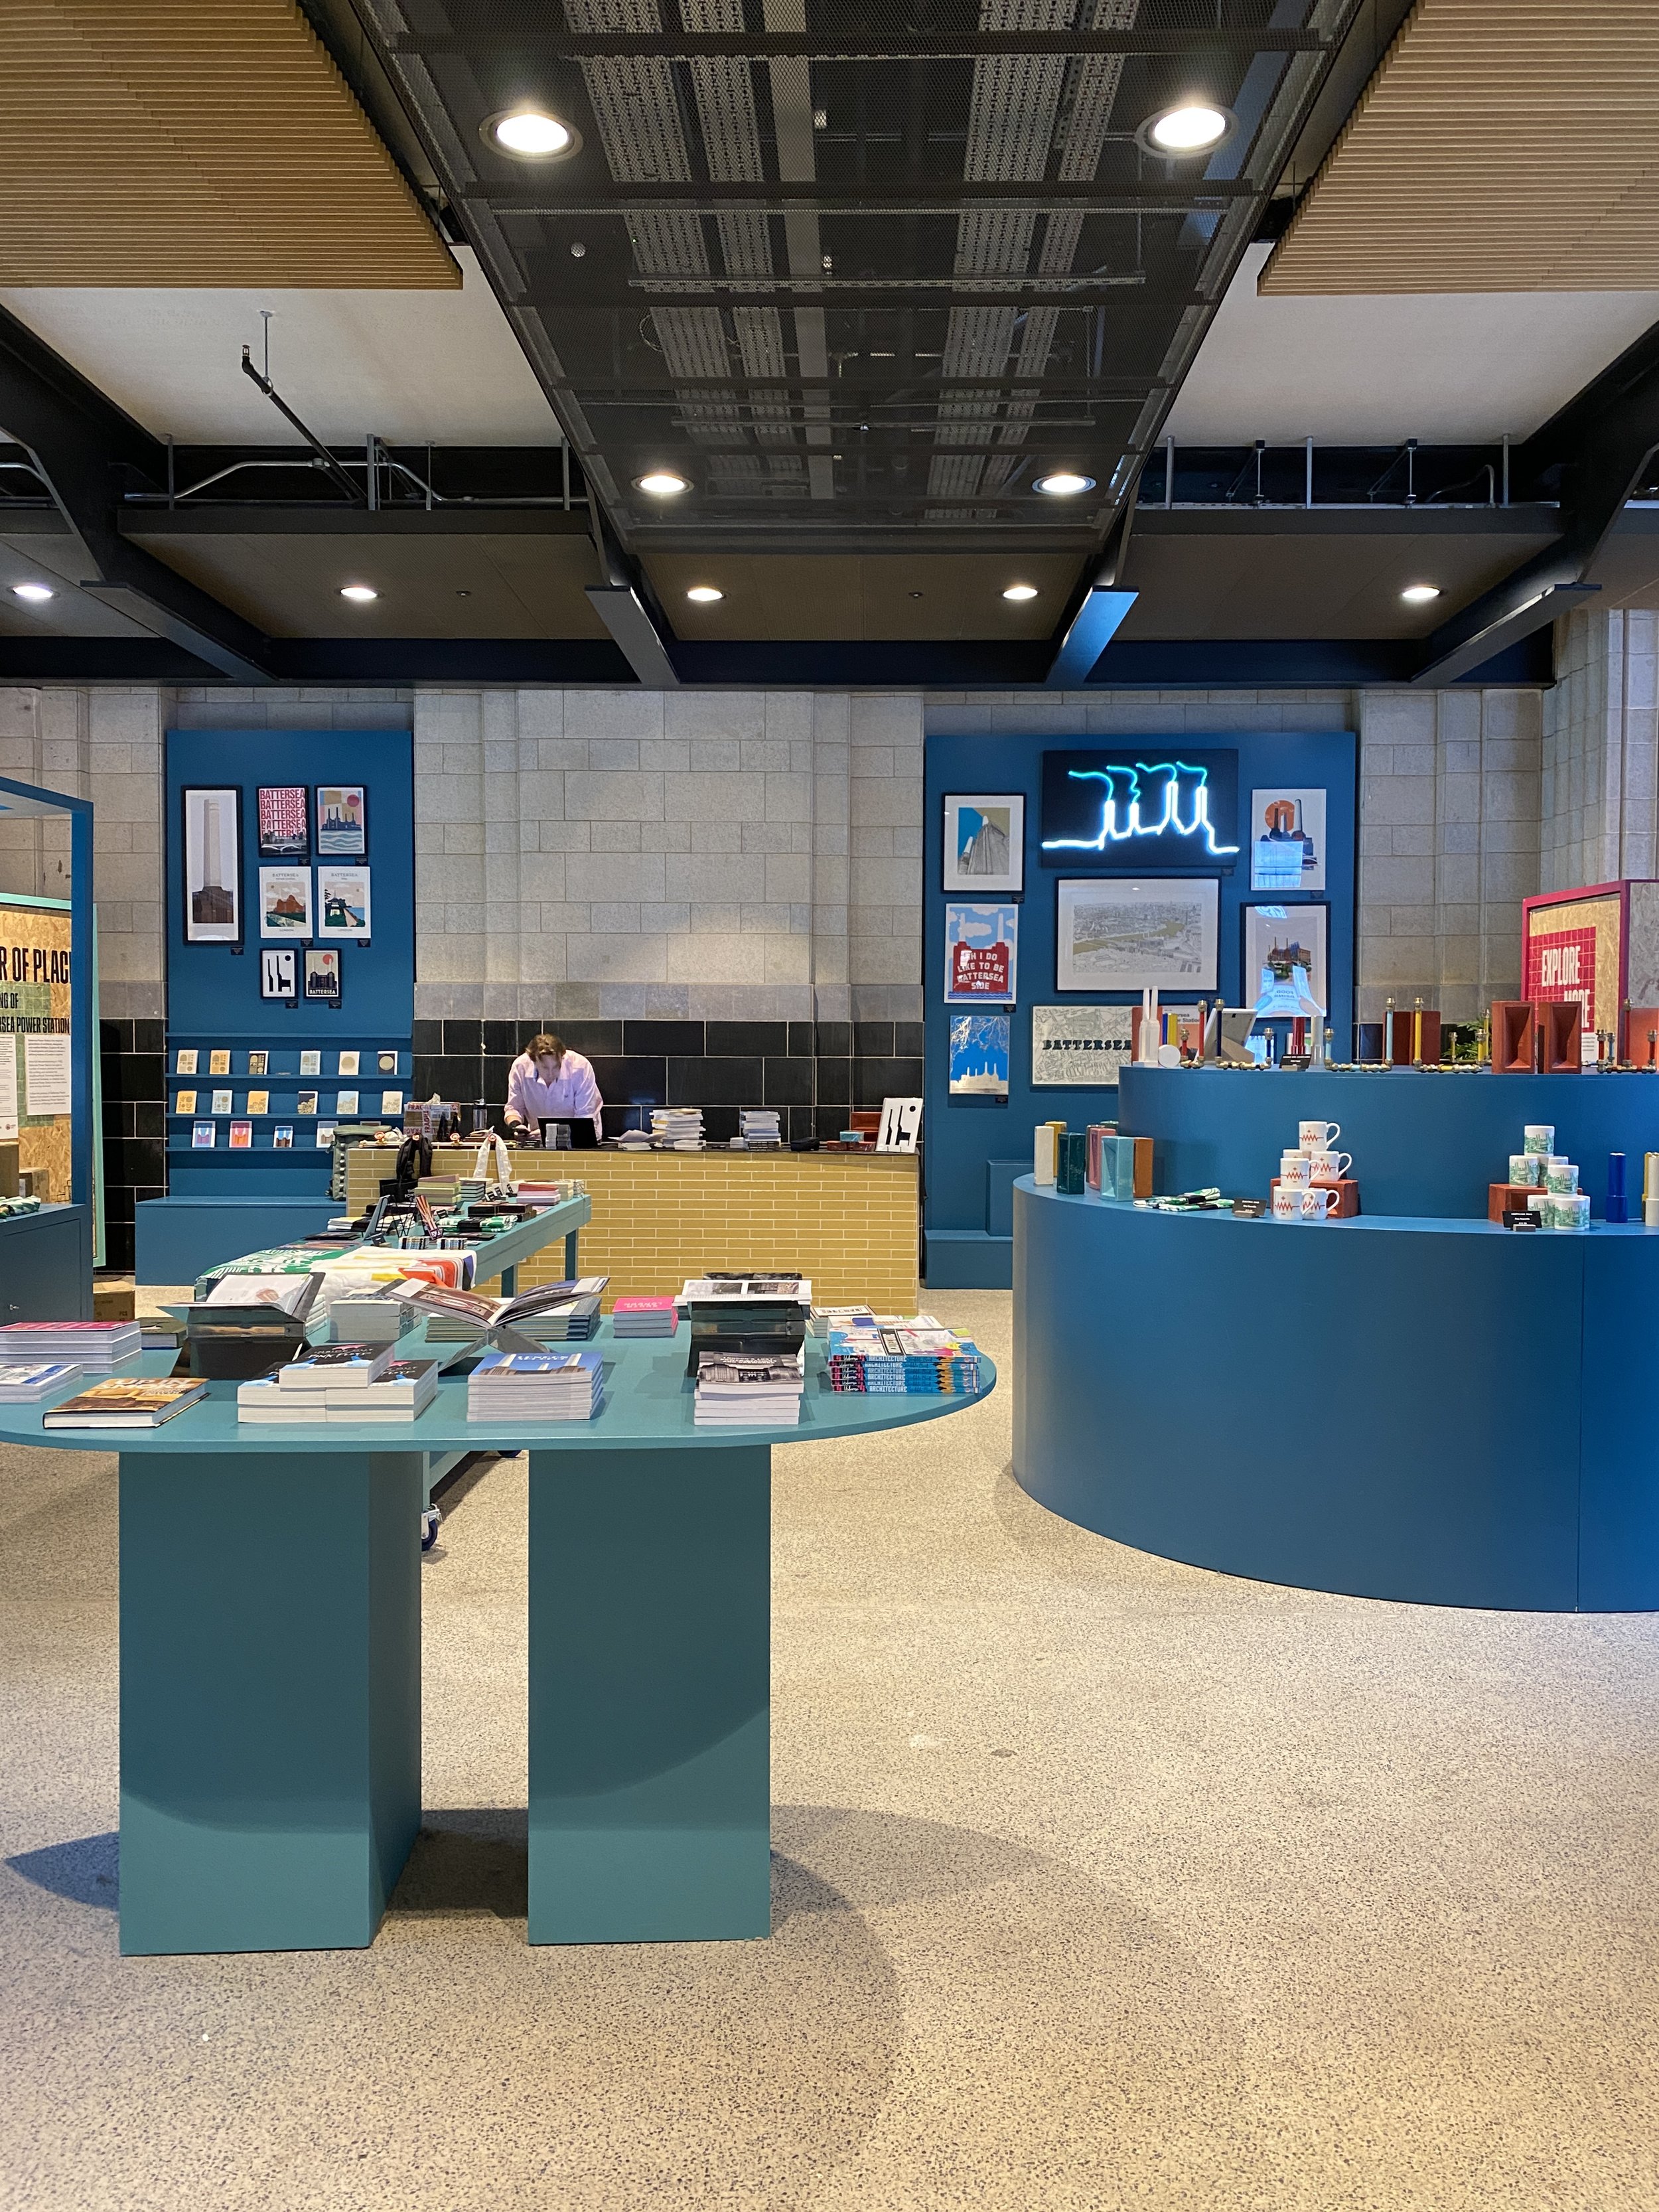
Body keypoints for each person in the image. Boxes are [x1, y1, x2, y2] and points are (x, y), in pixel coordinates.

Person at [503, 1032, 605, 1142]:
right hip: (537, 1138)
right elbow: (514, 1108)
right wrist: (517, 1127)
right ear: (533, 1061)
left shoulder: (580, 1067)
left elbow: (584, 1119)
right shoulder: (520, 1067)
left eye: (556, 1067)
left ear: (562, 1057)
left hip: (580, 1138)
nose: (551, 1074)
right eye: (545, 1068)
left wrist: (551, 1133)